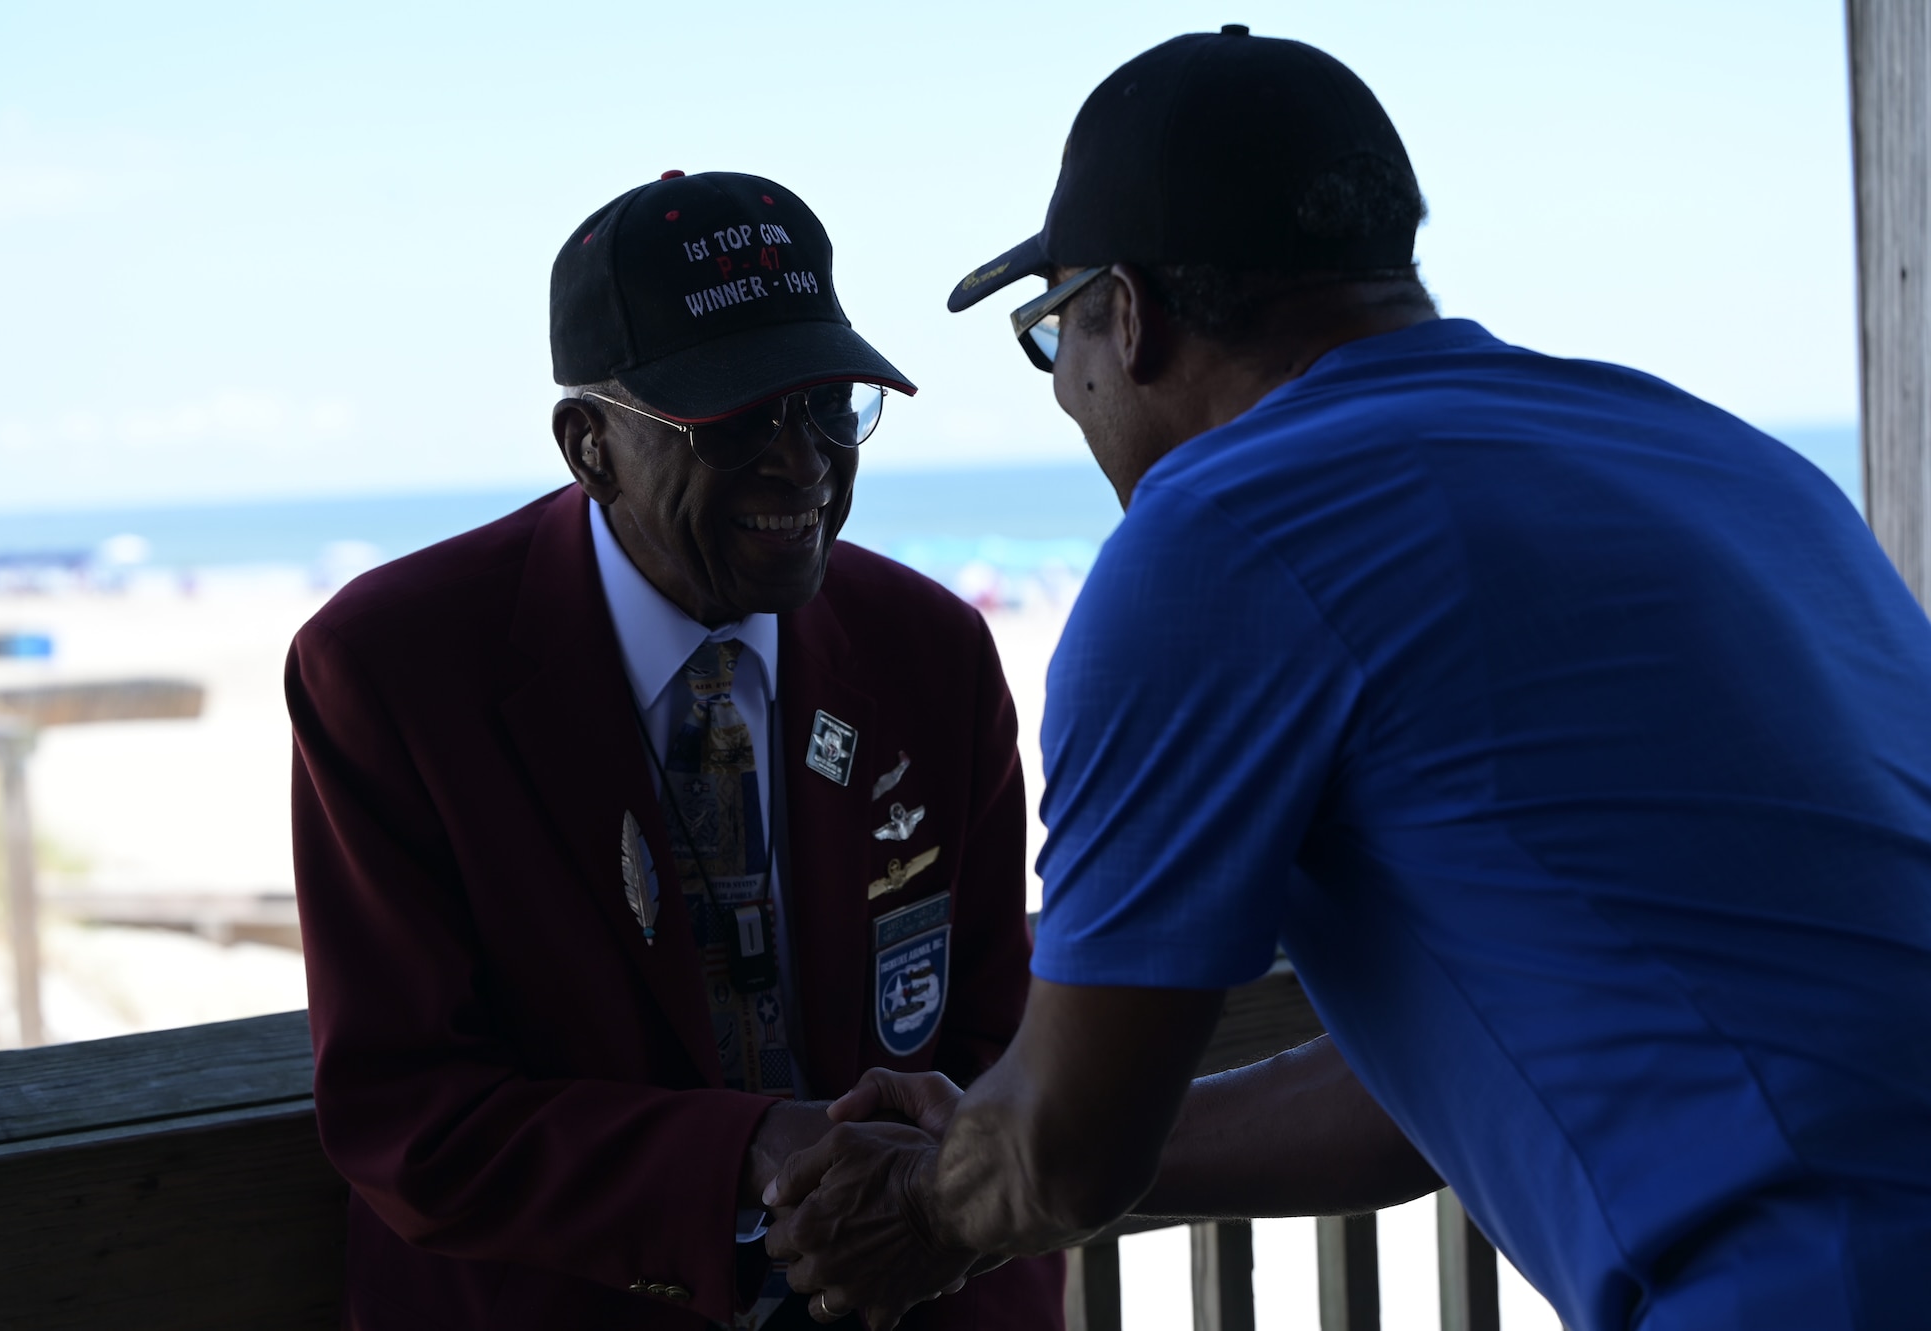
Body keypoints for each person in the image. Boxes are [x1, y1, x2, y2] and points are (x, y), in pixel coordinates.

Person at [763, 29, 1931, 1331]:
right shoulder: (1714, 455)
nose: (1070, 393)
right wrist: (1011, 1125)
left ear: (1126, 315)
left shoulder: (1220, 534)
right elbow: (1478, 1064)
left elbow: (1064, 1153)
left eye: (1053, 336)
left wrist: (931, 1199)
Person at [286, 170, 1063, 1329]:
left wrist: (918, 1195)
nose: (801, 464)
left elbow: (1000, 1020)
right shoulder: (390, 671)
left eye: (828, 405)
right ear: (587, 444)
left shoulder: (929, 653)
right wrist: (748, 1147)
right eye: (739, 417)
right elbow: (411, 1114)